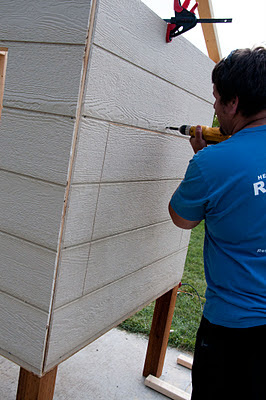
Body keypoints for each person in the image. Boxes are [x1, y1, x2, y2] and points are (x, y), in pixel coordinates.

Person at [169, 46, 266, 400]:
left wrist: (204, 162)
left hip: (233, 329)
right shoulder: (217, 159)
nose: (212, 108)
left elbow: (182, 218)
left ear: (234, 103)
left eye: (216, 99)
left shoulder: (212, 163)